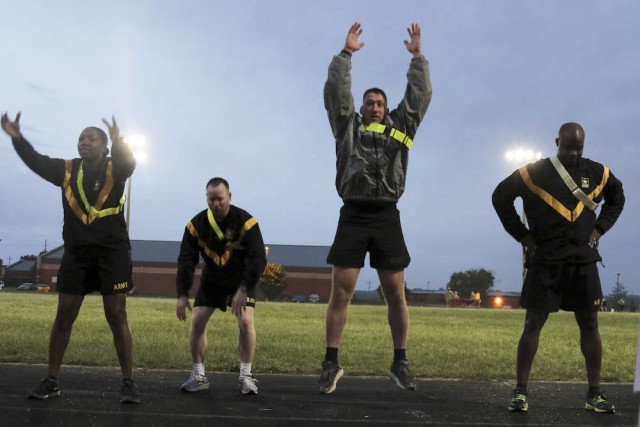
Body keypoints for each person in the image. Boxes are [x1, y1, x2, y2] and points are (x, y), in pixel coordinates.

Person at [319, 22, 432, 394]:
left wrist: (418, 58)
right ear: (363, 107)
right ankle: (331, 363)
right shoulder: (347, 127)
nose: (375, 107)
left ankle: (400, 363)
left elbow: (419, 97)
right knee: (341, 292)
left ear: (387, 109)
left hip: (386, 215)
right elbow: (337, 93)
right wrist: (346, 54)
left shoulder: (402, 127)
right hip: (352, 214)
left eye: (380, 103)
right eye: (370, 102)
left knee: (396, 293)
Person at [1, 112, 140, 404]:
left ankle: (128, 382)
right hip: (77, 254)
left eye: (91, 138)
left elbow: (129, 164)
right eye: (80, 139)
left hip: (111, 253)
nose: (84, 143)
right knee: (64, 315)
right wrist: (17, 138)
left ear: (104, 147)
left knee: (116, 315)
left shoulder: (117, 168)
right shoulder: (66, 169)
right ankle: (51, 380)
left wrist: (119, 142)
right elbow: (36, 161)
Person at [492, 122, 625, 414]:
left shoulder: (598, 173)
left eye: (579, 148)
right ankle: (520, 392)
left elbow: (618, 198)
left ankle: (594, 394)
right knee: (532, 324)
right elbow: (500, 197)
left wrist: (599, 229)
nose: (574, 153)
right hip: (546, 261)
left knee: (590, 325)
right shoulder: (533, 172)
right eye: (568, 147)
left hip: (583, 261)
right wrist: (523, 236)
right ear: (556, 142)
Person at [176, 177, 266, 395]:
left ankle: (246, 376)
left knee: (245, 321)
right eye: (211, 199)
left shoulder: (246, 222)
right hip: (213, 279)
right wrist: (182, 294)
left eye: (220, 199)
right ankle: (198, 376)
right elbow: (186, 260)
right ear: (206, 198)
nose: (216, 204)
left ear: (230, 197)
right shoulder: (195, 225)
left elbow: (258, 259)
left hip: (241, 278)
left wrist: (243, 289)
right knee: (197, 321)